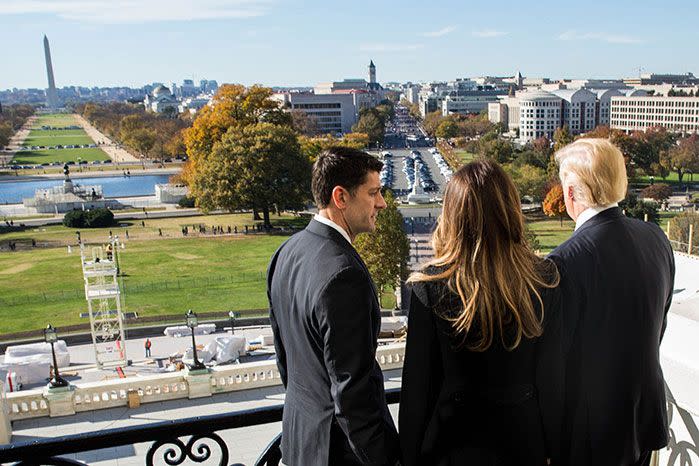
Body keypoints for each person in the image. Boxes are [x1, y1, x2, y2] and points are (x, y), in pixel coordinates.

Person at [399, 159, 559, 466]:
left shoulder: (429, 287)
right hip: (523, 444)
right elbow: (553, 380)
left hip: (454, 445)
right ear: (510, 208)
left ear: (453, 214)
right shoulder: (545, 279)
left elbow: (418, 394)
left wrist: (409, 458)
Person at [537, 138, 675, 466]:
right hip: (643, 423)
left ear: (570, 193)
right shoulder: (656, 238)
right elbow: (658, 323)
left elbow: (551, 367)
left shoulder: (561, 265)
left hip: (588, 439)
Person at [267, 147, 399, 466]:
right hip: (339, 452)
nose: (381, 203)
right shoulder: (344, 276)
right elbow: (353, 393)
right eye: (373, 192)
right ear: (341, 197)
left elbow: (286, 360)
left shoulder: (286, 253)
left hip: (300, 442)